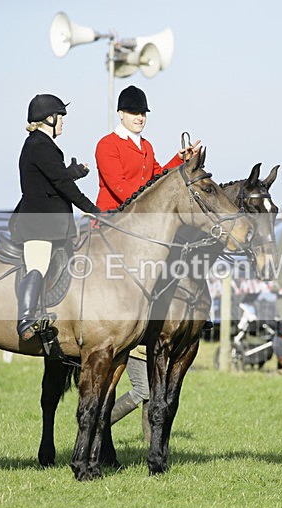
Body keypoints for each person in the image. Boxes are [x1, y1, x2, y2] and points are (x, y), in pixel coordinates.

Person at [98, 85, 200, 436]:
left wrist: (179, 161)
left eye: (142, 113)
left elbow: (157, 178)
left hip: (145, 232)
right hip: (113, 224)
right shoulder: (107, 145)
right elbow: (122, 190)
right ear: (121, 114)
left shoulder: (147, 147)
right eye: (134, 113)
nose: (139, 118)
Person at [10, 93, 100, 341]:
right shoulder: (40, 145)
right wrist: (92, 209)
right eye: (60, 117)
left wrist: (73, 172)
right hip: (39, 224)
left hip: (50, 223)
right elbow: (61, 185)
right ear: (49, 118)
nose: (63, 122)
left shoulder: (41, 145)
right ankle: (25, 319)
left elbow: (52, 178)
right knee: (38, 263)